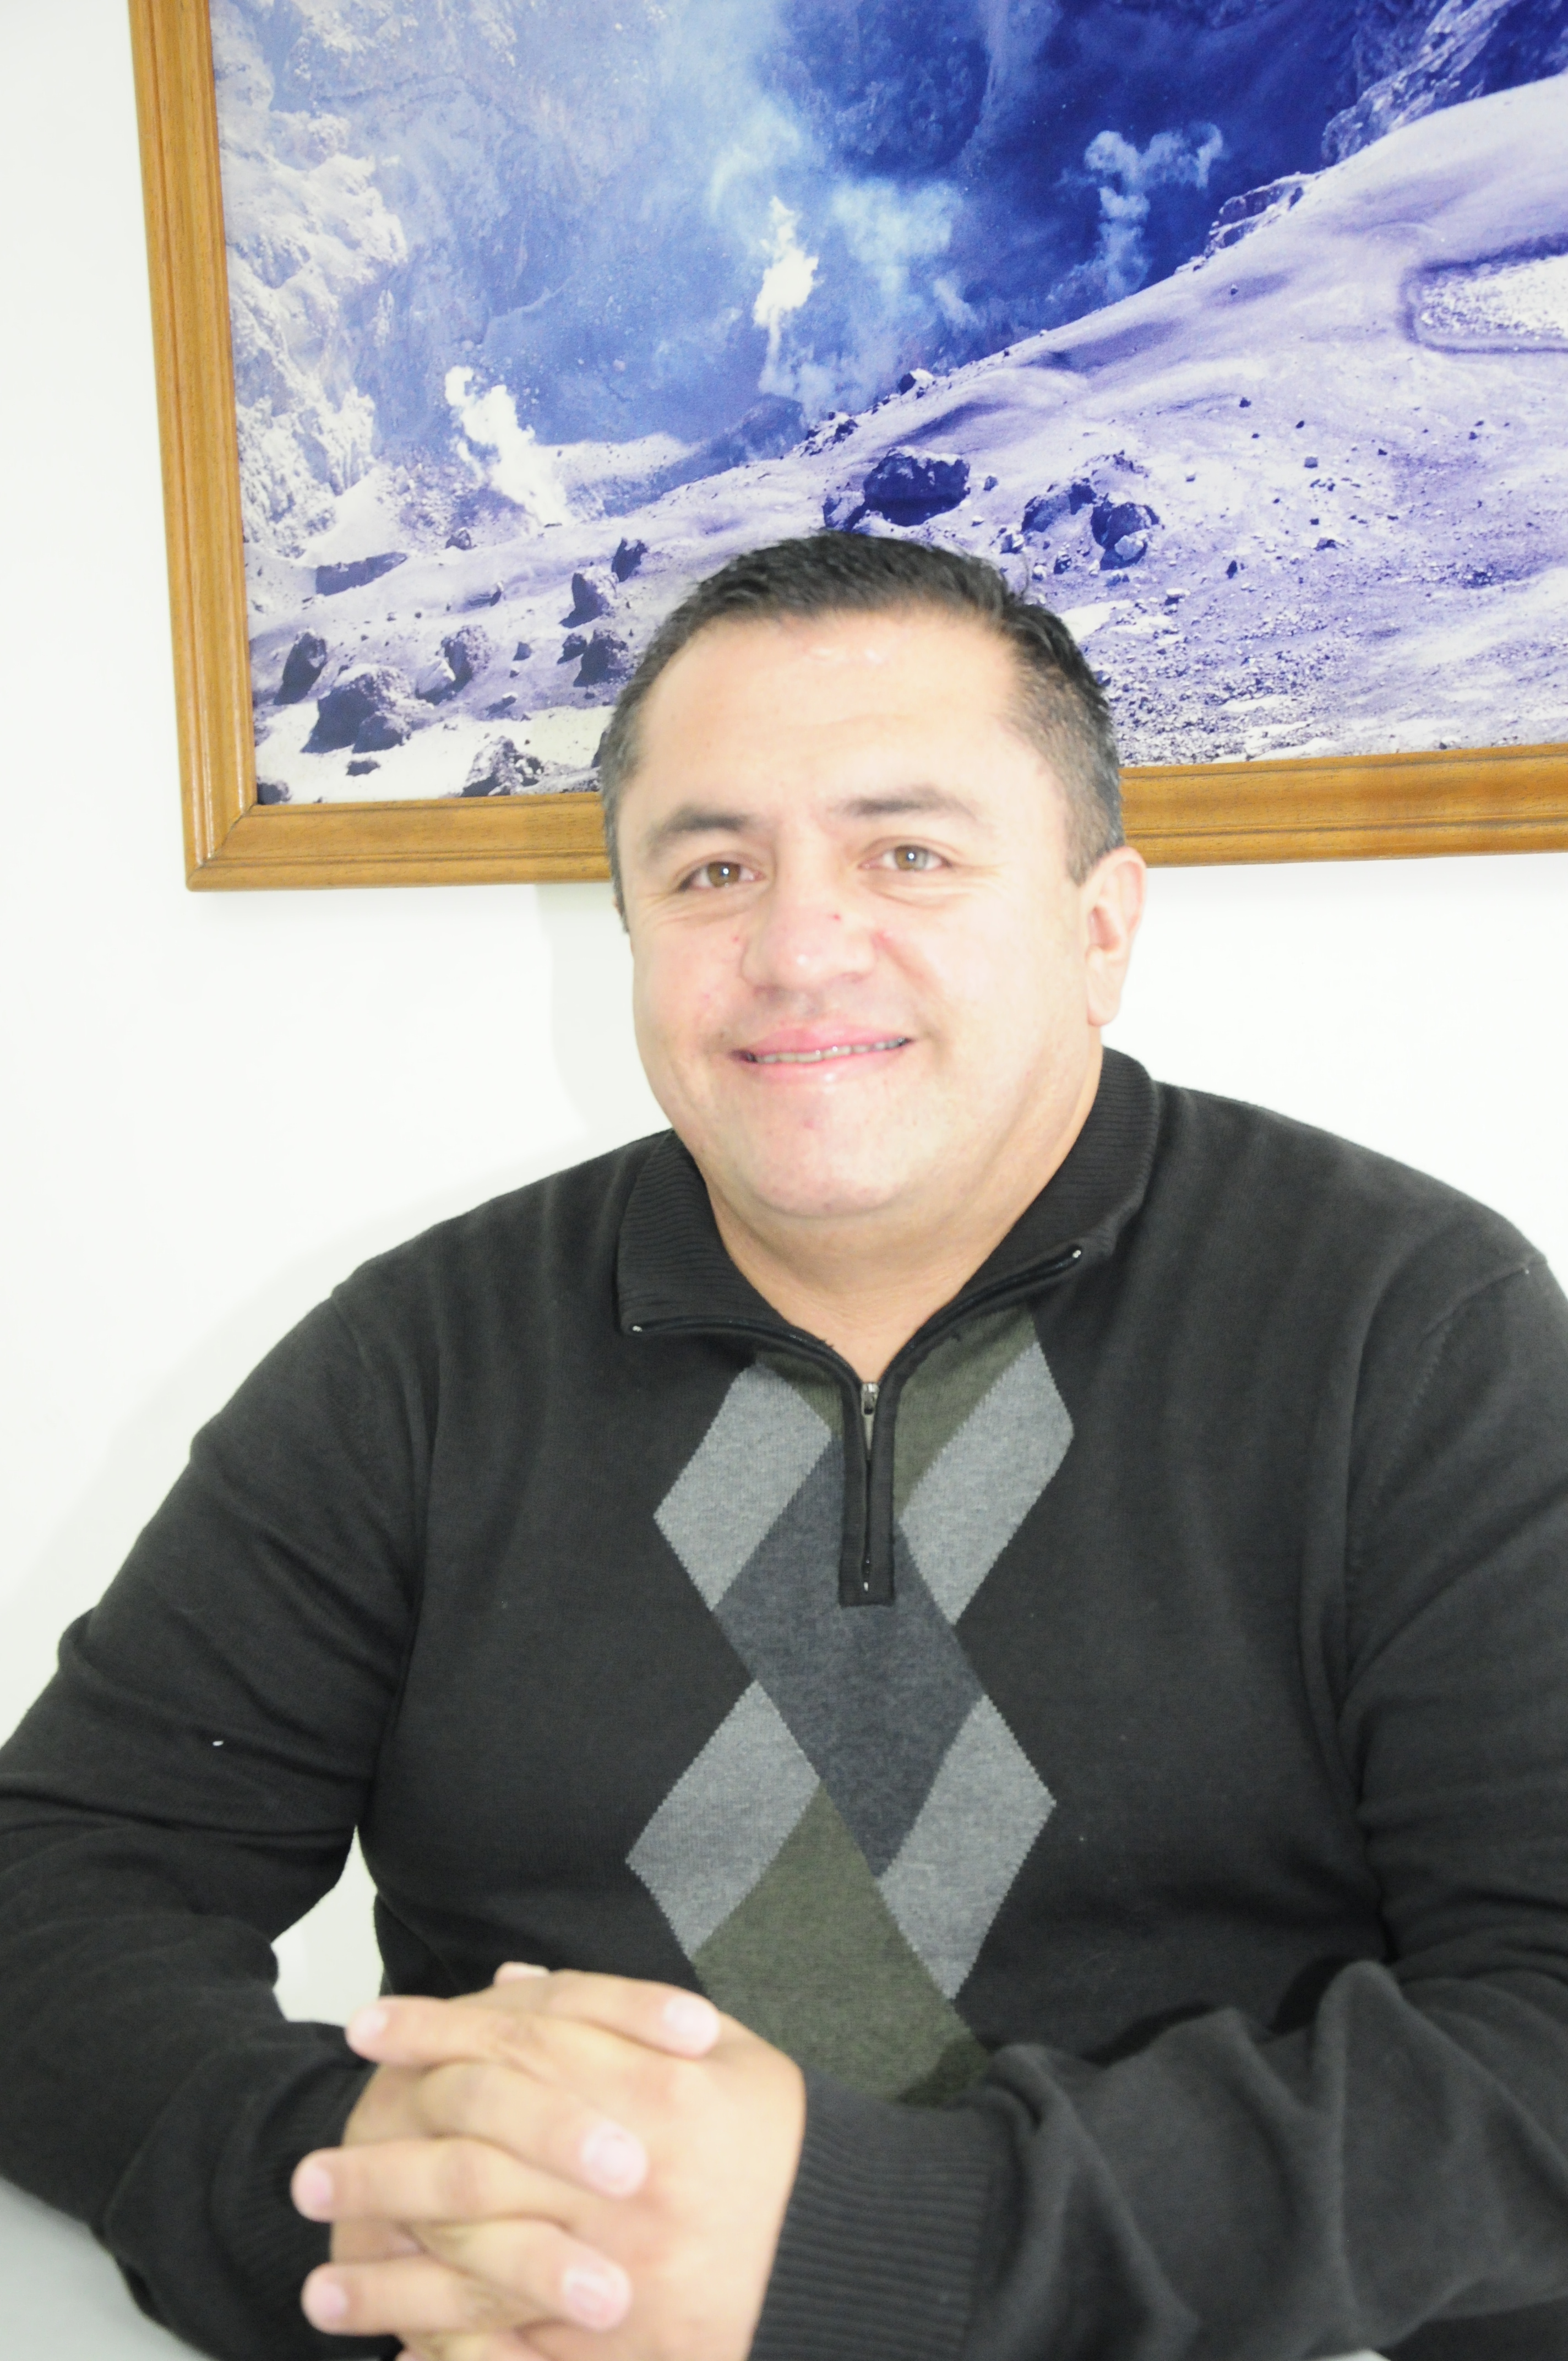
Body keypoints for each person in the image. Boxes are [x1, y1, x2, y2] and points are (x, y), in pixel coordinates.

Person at [2, 534, 1567, 2361]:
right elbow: (57, 1890)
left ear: (1100, 927)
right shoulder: (418, 1359)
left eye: (909, 854)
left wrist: (880, 2253)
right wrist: (386, 2206)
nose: (798, 948)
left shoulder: (1405, 1325)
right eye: (713, 868)